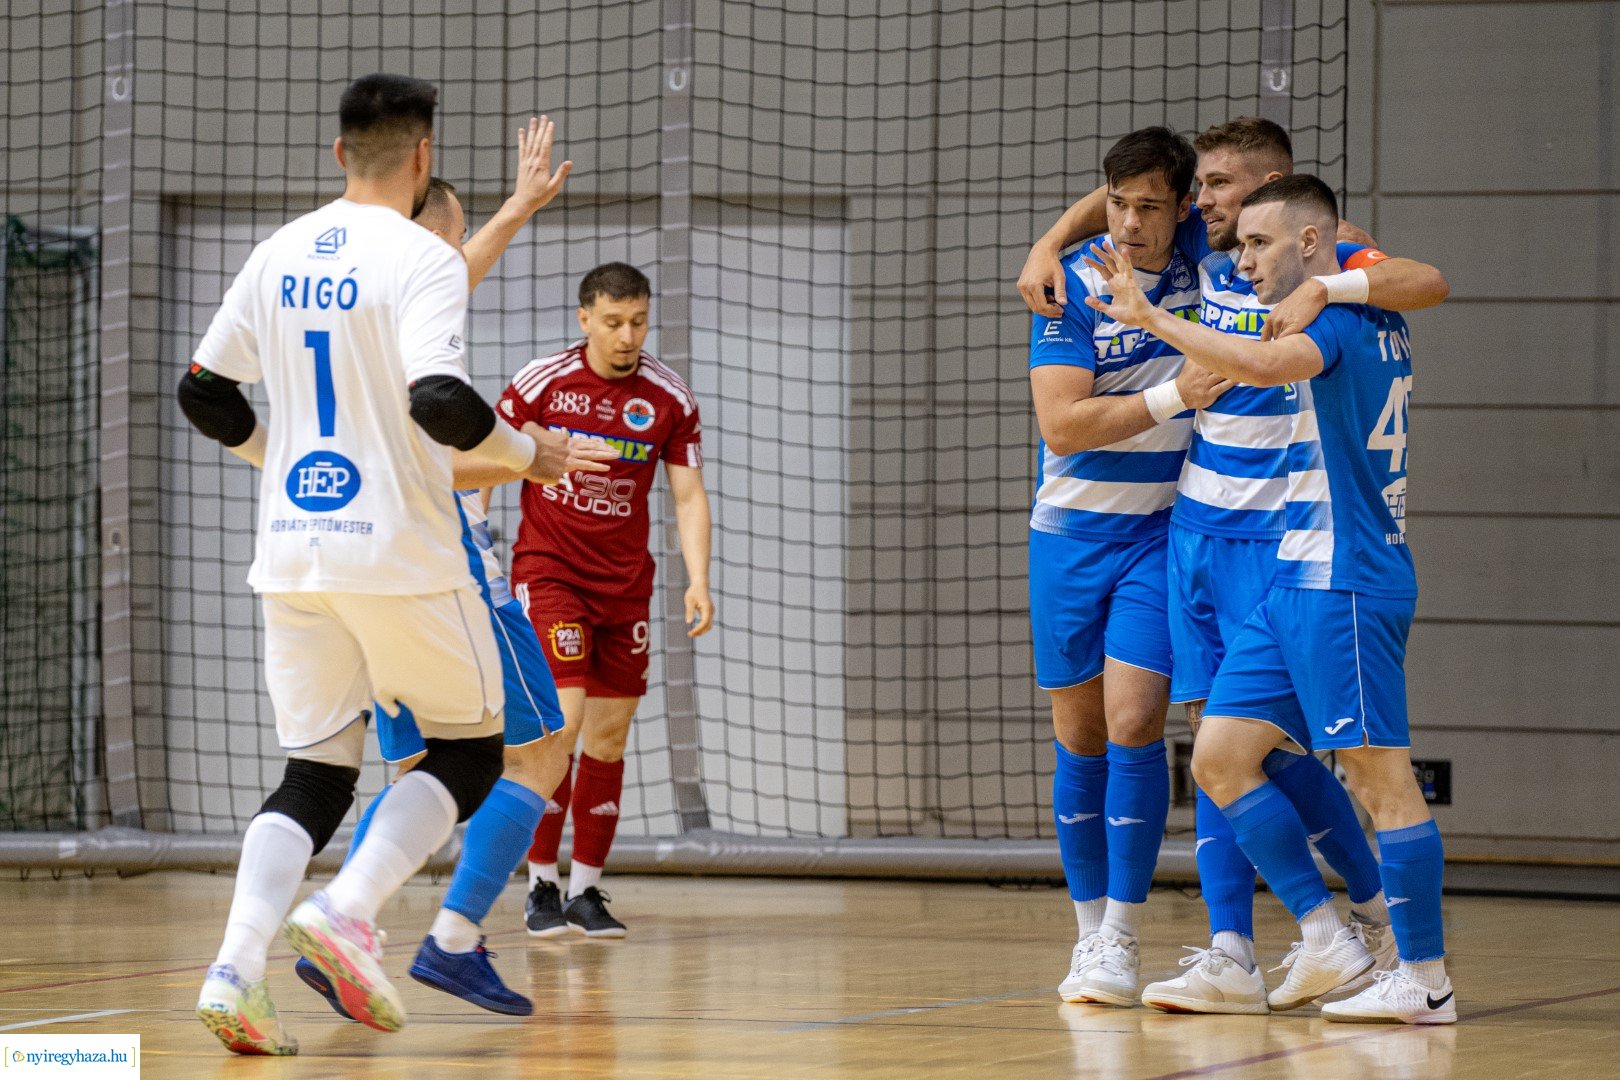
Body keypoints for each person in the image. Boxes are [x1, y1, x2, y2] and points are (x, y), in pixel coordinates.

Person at [185, 76, 610, 1055]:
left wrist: (281, 463)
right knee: (473, 750)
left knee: (314, 773)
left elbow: (202, 391)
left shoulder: (277, 251)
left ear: (340, 152)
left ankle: (235, 969)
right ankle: (352, 913)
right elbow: (441, 400)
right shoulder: (421, 257)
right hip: (400, 555)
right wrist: (528, 453)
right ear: (424, 156)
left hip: (290, 554)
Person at [1018, 117, 1449, 1013]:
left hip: (1287, 538)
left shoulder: (1319, 271)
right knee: (1217, 746)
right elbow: (1130, 194)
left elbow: (1424, 281)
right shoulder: (1200, 250)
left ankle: (1382, 933)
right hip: (1192, 530)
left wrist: (1324, 284)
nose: (1202, 205)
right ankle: (1235, 951)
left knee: (1300, 755)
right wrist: (1050, 240)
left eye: (1221, 188)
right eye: (1201, 189)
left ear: (1275, 197)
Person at [294, 121, 593, 1021]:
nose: (459, 259)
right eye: (452, 239)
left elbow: (456, 272)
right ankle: (451, 938)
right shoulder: (418, 331)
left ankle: (342, 934)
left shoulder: (350, 312)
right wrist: (524, 454)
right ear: (421, 238)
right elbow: (435, 462)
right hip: (444, 571)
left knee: (424, 771)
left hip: (351, 565)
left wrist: (518, 207)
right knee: (539, 751)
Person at [1026, 126, 1233, 1006]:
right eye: (1118, 204)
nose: (1131, 222)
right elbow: (1062, 426)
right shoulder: (1069, 285)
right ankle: (1087, 934)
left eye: (1152, 206)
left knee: (1135, 720)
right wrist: (1173, 395)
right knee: (1079, 738)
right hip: (1069, 535)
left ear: (1181, 208)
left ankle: (1122, 932)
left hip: (1160, 534)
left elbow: (1236, 199)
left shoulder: (1201, 258)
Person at [503, 262, 714, 938]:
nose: (628, 336)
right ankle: (540, 882)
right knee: (561, 726)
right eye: (615, 322)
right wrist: (471, 537)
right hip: (551, 572)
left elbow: (688, 495)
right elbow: (481, 455)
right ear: (585, 318)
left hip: (625, 586)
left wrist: (699, 579)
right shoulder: (543, 382)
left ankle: (585, 891)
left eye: (639, 322)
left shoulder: (668, 398)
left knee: (609, 736)